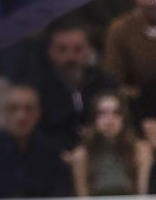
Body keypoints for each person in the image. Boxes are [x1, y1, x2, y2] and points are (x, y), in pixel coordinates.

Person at [30, 21, 120, 152]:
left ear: (89, 51)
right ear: (51, 52)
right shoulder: (38, 90)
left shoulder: (106, 84)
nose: (70, 57)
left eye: (77, 49)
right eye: (62, 49)